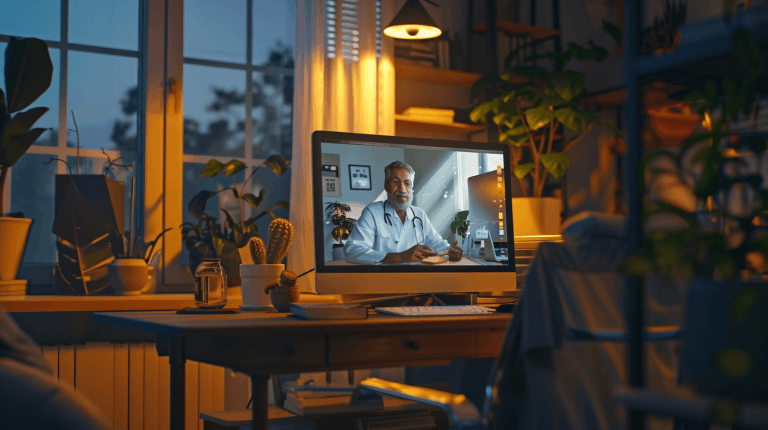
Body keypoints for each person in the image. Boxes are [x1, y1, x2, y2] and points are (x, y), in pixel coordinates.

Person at [344, 161, 463, 264]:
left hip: (416, 279)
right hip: (383, 280)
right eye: (396, 182)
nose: (402, 189)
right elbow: (353, 250)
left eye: (407, 183)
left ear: (411, 187)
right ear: (386, 186)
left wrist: (450, 251)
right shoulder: (372, 212)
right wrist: (401, 256)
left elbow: (437, 243)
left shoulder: (419, 214)